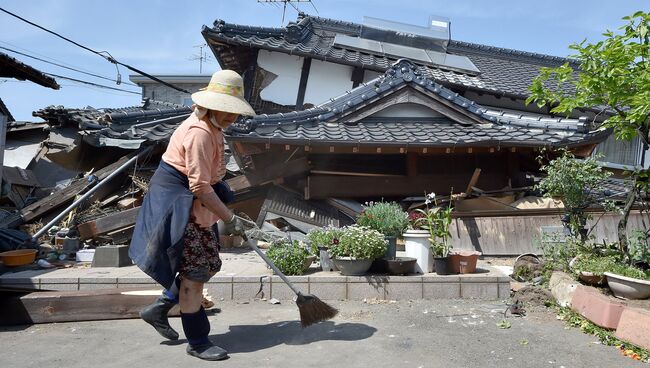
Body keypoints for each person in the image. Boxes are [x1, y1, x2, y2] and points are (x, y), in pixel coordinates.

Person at [129, 70, 255, 361]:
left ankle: (159, 308)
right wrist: (228, 218)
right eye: (226, 110)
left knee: (205, 263)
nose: (231, 117)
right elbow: (198, 184)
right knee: (195, 274)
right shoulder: (199, 133)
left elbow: (209, 177)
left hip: (193, 195)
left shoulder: (214, 129)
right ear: (211, 105)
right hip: (178, 200)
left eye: (234, 111)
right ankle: (198, 341)